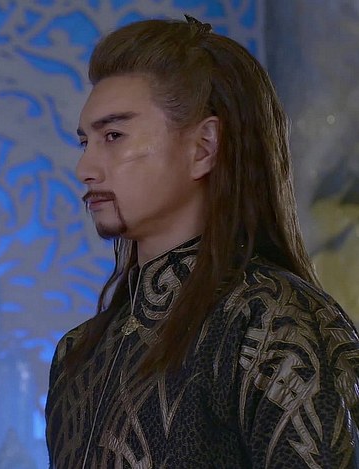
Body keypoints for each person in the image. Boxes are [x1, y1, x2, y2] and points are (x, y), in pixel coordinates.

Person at [45, 16, 359, 468]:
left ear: (203, 147)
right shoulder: (78, 355)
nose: (85, 168)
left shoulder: (270, 321)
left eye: (113, 136)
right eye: (85, 142)